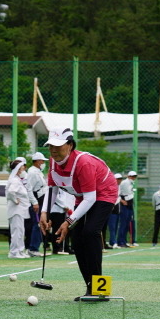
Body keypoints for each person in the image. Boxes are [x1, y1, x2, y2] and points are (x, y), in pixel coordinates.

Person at [39, 128, 118, 301]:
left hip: (104, 193)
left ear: (70, 145)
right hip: (82, 195)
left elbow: (91, 199)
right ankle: (90, 288)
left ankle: (100, 290)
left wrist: (68, 221)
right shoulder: (53, 163)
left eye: (58, 146)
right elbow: (51, 190)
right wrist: (44, 213)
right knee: (77, 238)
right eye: (50, 145)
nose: (53, 150)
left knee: (90, 232)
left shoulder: (83, 163)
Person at [7, 157, 31, 258]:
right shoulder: (15, 180)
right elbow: (11, 192)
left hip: (20, 210)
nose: (23, 169)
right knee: (16, 231)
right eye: (21, 167)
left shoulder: (17, 179)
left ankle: (20, 251)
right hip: (16, 210)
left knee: (21, 231)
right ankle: (14, 252)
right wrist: (15, 200)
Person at [25, 152, 48, 257]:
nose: (43, 163)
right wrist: (34, 202)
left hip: (41, 198)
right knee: (37, 224)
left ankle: (34, 247)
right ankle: (33, 248)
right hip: (37, 199)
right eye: (42, 161)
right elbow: (29, 189)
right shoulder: (32, 172)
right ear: (38, 161)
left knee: (39, 224)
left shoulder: (38, 171)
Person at [49, 189, 75, 255]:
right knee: (56, 230)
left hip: (63, 210)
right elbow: (55, 197)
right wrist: (64, 206)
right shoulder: (56, 186)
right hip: (56, 210)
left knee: (64, 229)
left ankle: (65, 247)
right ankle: (56, 248)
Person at [118, 171, 137, 247]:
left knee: (127, 224)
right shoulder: (125, 182)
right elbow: (119, 193)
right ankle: (121, 241)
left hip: (129, 204)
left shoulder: (131, 183)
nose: (133, 178)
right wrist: (122, 200)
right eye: (132, 176)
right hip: (125, 203)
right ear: (128, 176)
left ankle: (124, 241)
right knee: (123, 223)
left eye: (134, 176)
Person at [107, 173, 123, 248]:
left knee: (116, 226)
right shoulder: (111, 186)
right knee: (112, 227)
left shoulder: (119, 187)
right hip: (112, 209)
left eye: (120, 179)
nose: (119, 180)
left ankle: (112, 241)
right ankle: (113, 242)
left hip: (117, 209)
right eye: (118, 179)